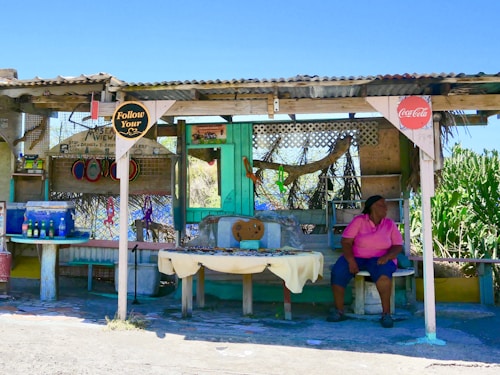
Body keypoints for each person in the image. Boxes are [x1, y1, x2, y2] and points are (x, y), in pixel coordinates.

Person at [328, 195, 403, 328]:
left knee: (384, 275)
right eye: (382, 205)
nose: (385, 208)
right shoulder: (359, 221)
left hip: (381, 258)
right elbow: (346, 241)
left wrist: (387, 257)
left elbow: (398, 245)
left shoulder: (389, 224)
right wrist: (351, 261)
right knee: (338, 272)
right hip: (357, 256)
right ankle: (339, 311)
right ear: (372, 207)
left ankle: (386, 314)